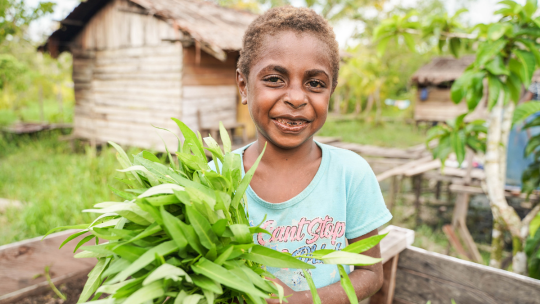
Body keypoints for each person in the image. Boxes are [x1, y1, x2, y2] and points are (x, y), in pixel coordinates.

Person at [216, 6, 392, 303]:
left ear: (331, 91)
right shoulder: (215, 176)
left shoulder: (350, 174)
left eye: (315, 84)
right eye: (274, 79)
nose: (296, 97)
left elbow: (371, 274)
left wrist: (298, 301)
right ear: (244, 85)